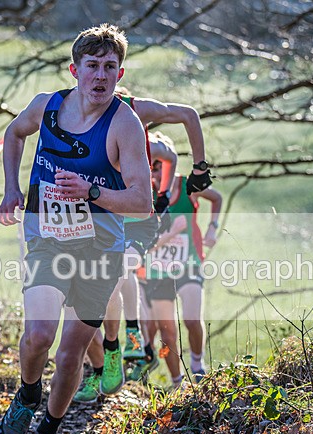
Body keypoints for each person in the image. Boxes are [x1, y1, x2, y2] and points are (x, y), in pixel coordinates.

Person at [0, 24, 151, 434]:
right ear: (75, 69)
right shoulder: (48, 107)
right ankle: (26, 396)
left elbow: (142, 202)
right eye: (92, 66)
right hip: (47, 238)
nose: (100, 76)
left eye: (109, 68)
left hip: (101, 250)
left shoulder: (125, 124)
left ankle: (47, 431)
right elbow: (13, 134)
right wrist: (11, 190)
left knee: (69, 356)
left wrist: (90, 191)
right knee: (39, 336)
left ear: (120, 74)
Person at [72, 90, 214, 402]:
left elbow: (183, 127)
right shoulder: (77, 116)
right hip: (100, 219)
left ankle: (129, 337)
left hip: (139, 221)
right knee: (84, 296)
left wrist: (171, 189)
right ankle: (97, 365)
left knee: (119, 272)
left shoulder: (139, 113)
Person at [143, 165, 222, 387]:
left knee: (191, 318)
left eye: (159, 170)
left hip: (189, 264)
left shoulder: (187, 185)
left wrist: (212, 228)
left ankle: (197, 366)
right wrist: (172, 233)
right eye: (151, 171)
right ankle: (178, 384)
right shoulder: (143, 191)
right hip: (158, 270)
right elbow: (143, 247)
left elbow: (217, 198)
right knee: (167, 333)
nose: (155, 177)